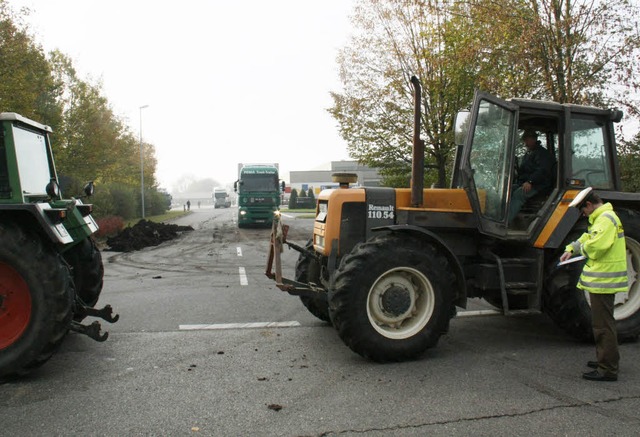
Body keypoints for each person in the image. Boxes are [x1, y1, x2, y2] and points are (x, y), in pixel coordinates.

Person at [560, 187, 627, 382]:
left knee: (602, 326)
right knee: (603, 324)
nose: (583, 214)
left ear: (589, 204)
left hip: (604, 282)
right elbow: (589, 237)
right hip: (602, 281)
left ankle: (607, 368)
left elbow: (596, 245)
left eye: (583, 210)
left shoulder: (606, 219)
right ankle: (606, 359)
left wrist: (583, 249)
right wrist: (573, 248)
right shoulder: (601, 218)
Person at [507, 129, 553, 223]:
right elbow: (525, 170)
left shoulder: (542, 153)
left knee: (519, 194)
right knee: (508, 190)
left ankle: (506, 222)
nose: (525, 143)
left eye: (527, 140)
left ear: (534, 139)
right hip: (526, 182)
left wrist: (530, 181)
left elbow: (542, 170)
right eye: (524, 140)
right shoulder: (529, 153)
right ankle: (501, 217)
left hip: (540, 185)